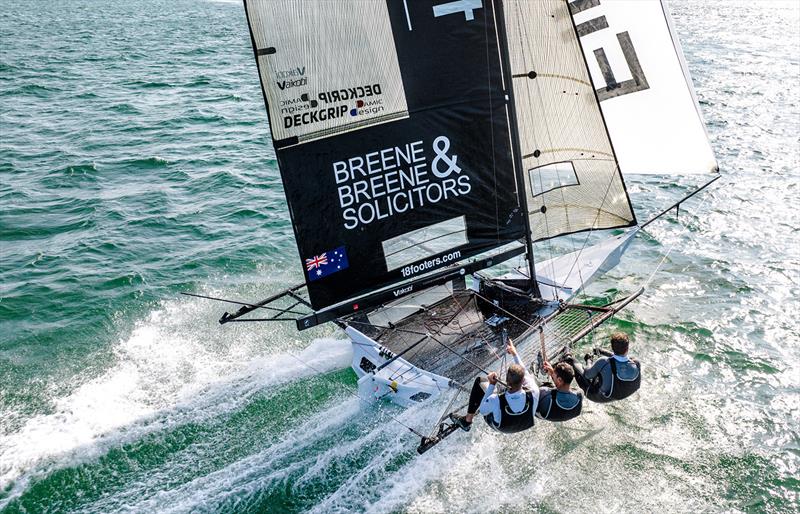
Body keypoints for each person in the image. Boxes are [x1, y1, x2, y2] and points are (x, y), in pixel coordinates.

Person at [452, 338, 539, 433]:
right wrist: (514, 353)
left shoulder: (495, 399)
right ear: (523, 381)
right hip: (524, 424)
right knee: (505, 389)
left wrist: (492, 385)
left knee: (480, 381)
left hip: (502, 428)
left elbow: (483, 411)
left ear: (507, 381)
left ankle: (467, 421)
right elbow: (524, 371)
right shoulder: (534, 391)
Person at [565, 332, 641, 403]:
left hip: (598, 397)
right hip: (622, 394)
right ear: (627, 348)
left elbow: (587, 375)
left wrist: (589, 360)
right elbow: (619, 359)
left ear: (612, 347)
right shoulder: (636, 363)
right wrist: (602, 351)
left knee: (575, 364)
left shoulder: (604, 362)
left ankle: (567, 354)